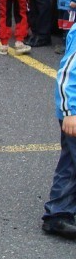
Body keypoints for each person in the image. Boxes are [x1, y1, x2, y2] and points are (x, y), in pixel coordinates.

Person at [41, 22, 76, 240]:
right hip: (74, 112)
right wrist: (70, 112)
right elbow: (67, 75)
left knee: (70, 164)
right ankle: (58, 212)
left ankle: (58, 212)